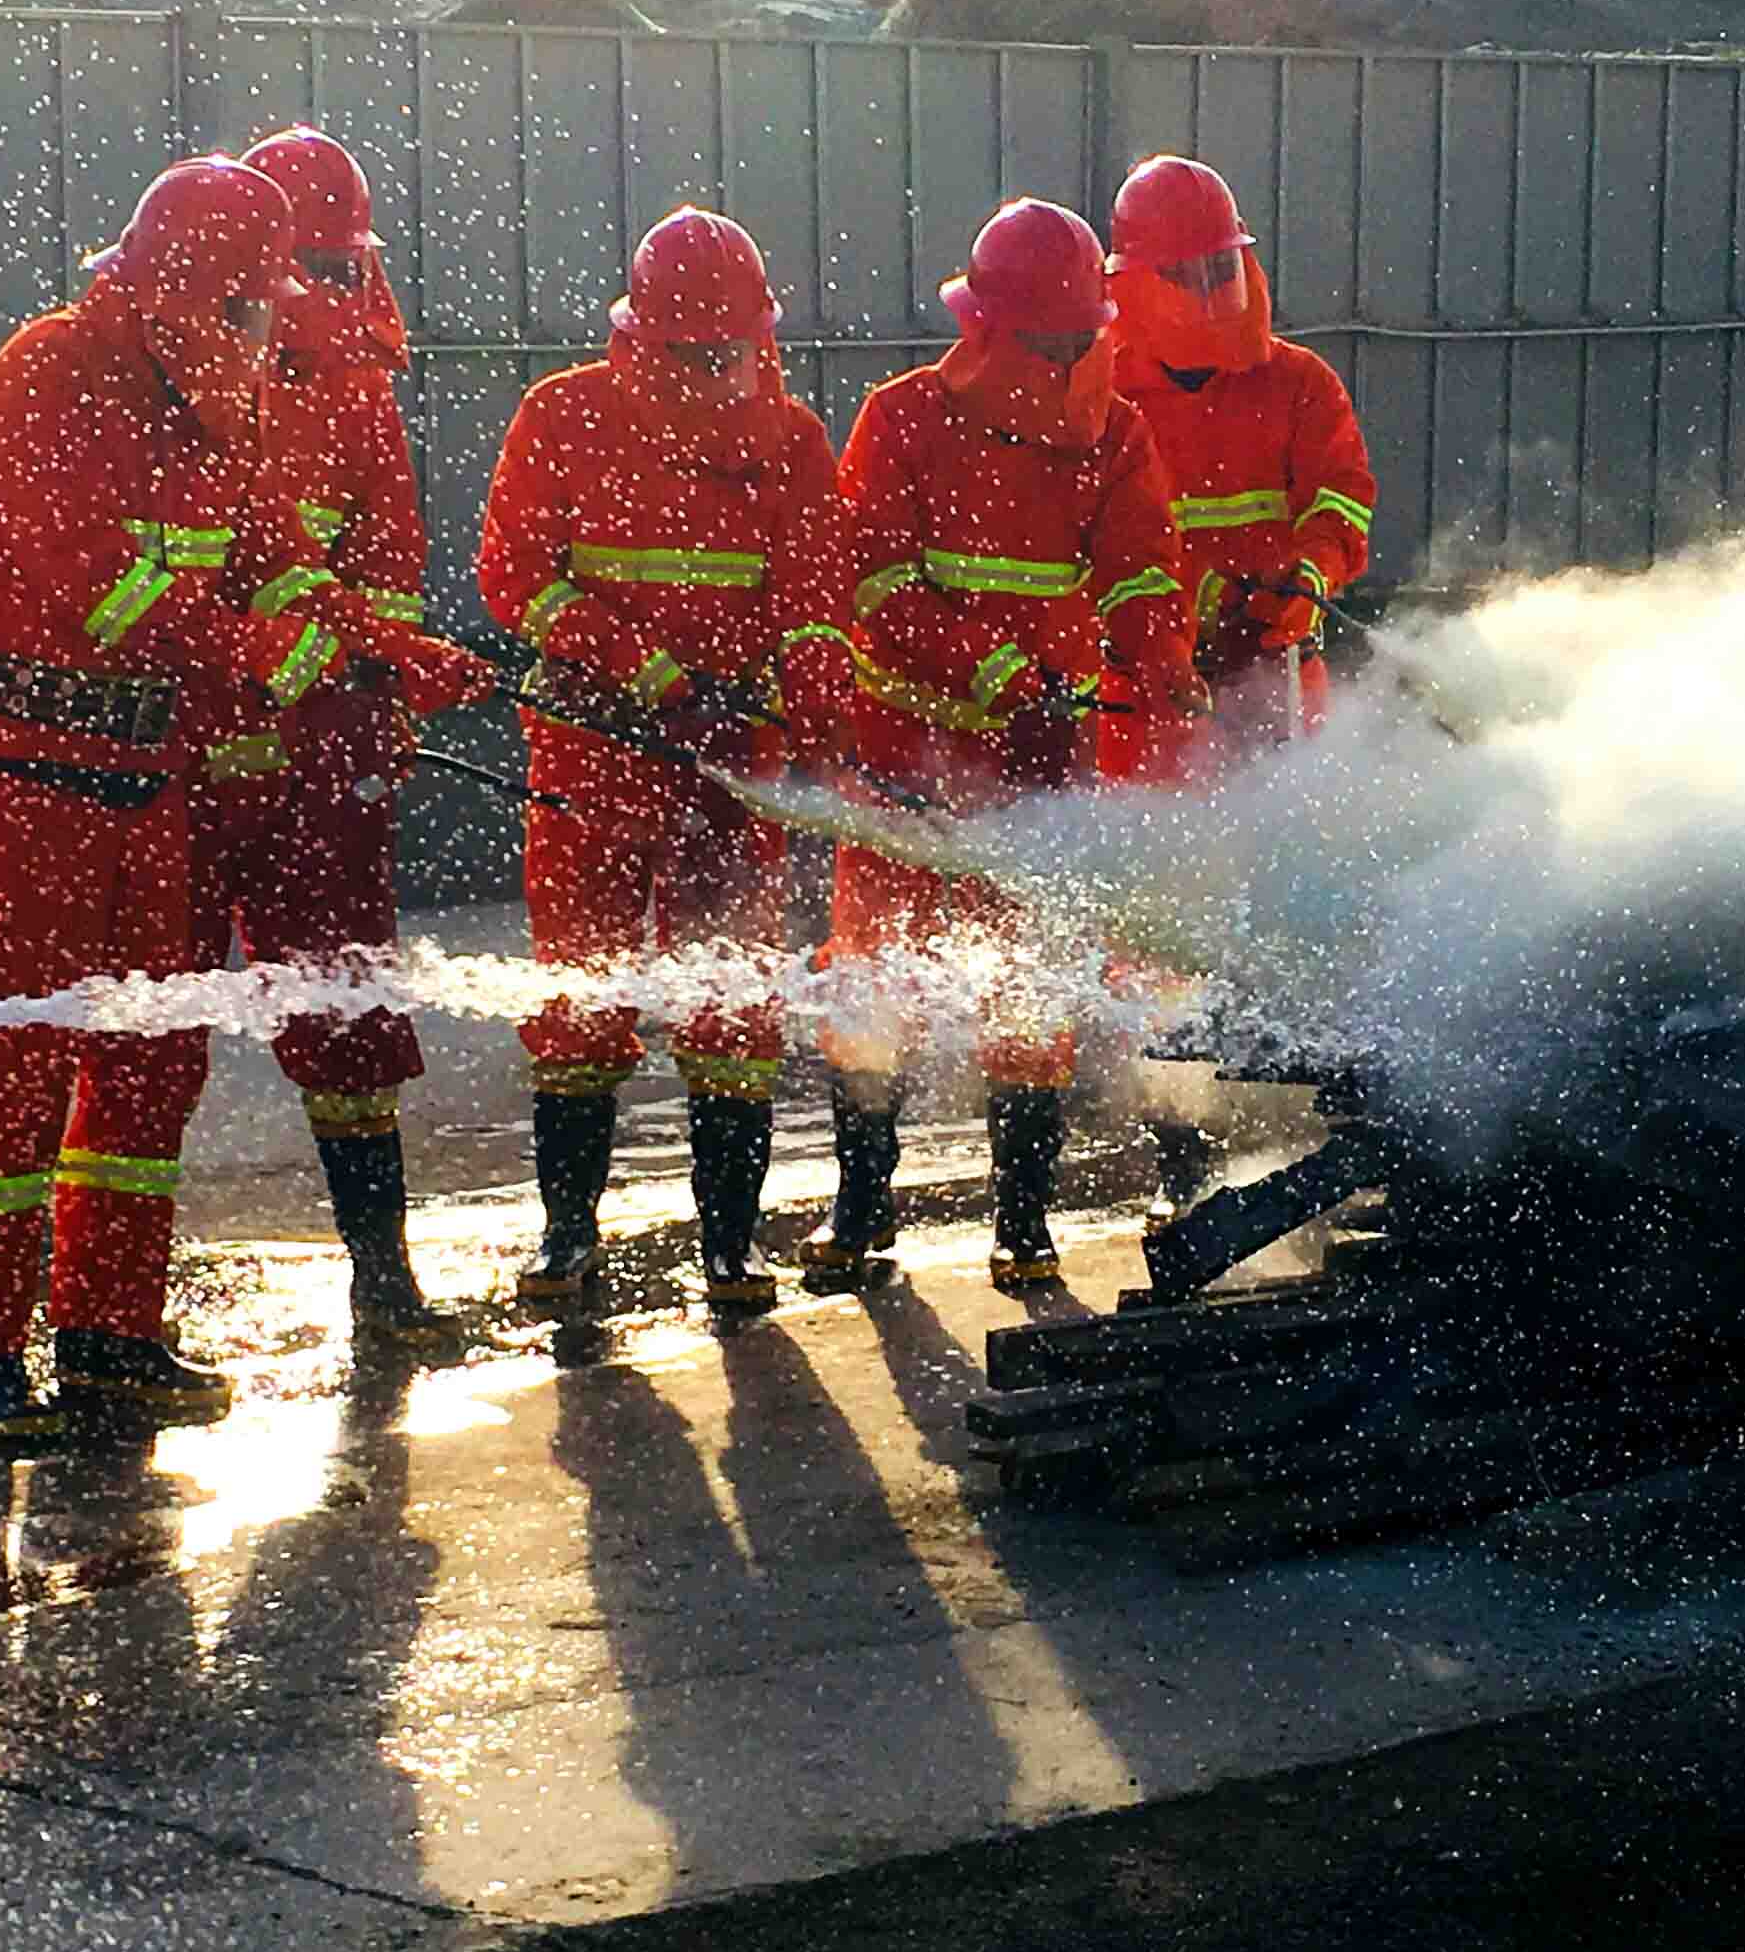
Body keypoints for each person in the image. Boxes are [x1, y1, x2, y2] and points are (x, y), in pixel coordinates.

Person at [0, 157, 470, 1448]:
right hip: (24, 770)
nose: (264, 335)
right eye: (250, 310)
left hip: (137, 774)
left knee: (151, 1056)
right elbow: (105, 597)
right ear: (196, 292)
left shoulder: (204, 406)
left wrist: (382, 645)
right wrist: (273, 656)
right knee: (20, 1064)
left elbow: (276, 559)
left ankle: (110, 1334)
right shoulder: (47, 379)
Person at [797, 198, 1197, 1299]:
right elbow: (874, 581)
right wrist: (997, 676)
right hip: (902, 758)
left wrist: (1156, 656)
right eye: (1050, 345)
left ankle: (1022, 1221)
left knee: (1032, 990)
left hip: (1039, 762)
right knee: (876, 986)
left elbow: (1140, 565)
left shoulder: (1117, 431)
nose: (1070, 364)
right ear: (986, 332)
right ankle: (861, 1207)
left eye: (1084, 344)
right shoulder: (903, 419)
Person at [474, 207, 847, 1315]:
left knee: (733, 1007)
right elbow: (516, 578)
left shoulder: (789, 439)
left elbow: (816, 594)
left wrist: (805, 700)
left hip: (732, 767)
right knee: (581, 999)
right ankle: (566, 1235)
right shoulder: (564, 417)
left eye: (736, 352)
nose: (721, 372)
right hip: (596, 758)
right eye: (699, 354)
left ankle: (730, 1248)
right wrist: (645, 675)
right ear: (644, 340)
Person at [184, 127, 492, 1342]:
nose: (332, 287)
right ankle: (109, 1320)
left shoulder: (357, 390)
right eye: (314, 262)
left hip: (316, 753)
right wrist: (303, 675)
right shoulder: (192, 373)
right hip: (201, 748)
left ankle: (383, 1274)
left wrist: (383, 698)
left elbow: (388, 568)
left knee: (352, 1012)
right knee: (144, 1037)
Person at [1100, 153, 1382, 1205]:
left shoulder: (1300, 382)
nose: (1213, 295)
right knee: (1165, 932)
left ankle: (1305, 1154)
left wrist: (1305, 578)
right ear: (1135, 282)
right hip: (1152, 708)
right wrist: (1169, 636)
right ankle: (1184, 1163)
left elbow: (1343, 500)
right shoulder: (1100, 396)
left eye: (1224, 269)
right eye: (1191, 274)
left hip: (1273, 691)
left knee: (1285, 916)